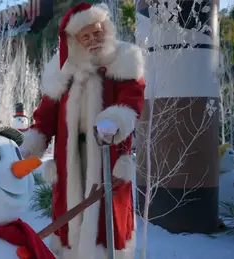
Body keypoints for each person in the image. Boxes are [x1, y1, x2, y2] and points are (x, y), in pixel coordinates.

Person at [18, 2, 145, 259]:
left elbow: (132, 100)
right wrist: (30, 145)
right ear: (75, 40)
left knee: (108, 224)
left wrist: (114, 121)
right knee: (70, 218)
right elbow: (45, 117)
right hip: (70, 159)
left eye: (97, 33)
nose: (93, 40)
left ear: (106, 30)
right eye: (85, 36)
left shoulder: (124, 60)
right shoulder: (62, 71)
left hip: (108, 156)